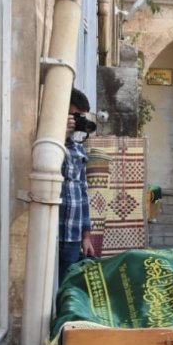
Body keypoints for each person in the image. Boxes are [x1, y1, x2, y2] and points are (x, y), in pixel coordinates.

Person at [59, 88, 98, 282]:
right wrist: (60, 134)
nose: (78, 121)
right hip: (54, 234)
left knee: (68, 289)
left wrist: (86, 236)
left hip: (73, 236)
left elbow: (83, 194)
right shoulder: (52, 144)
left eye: (81, 117)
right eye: (75, 116)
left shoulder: (78, 148)